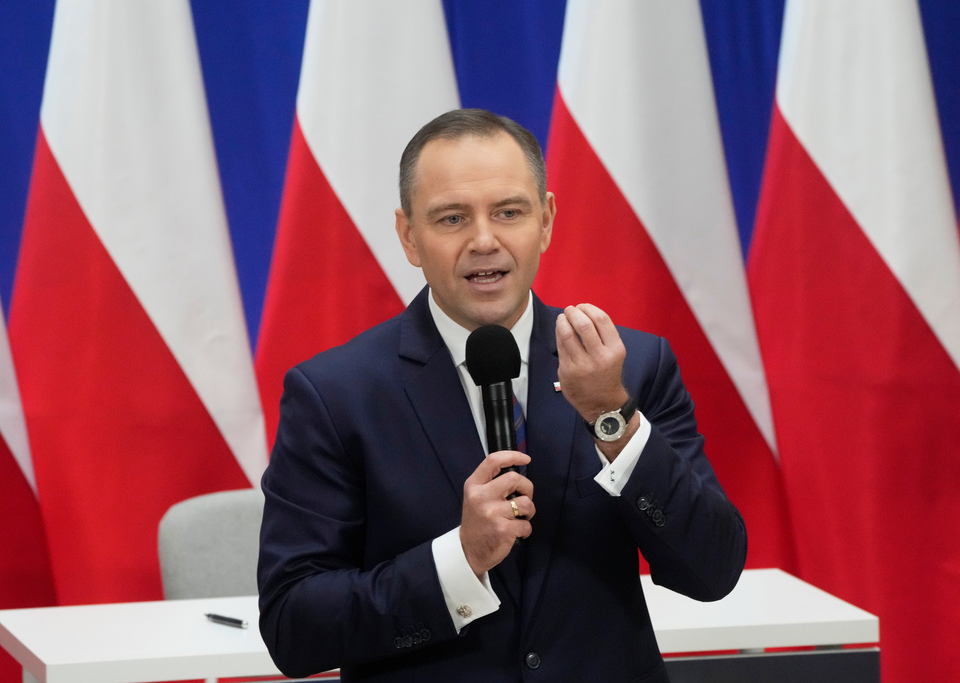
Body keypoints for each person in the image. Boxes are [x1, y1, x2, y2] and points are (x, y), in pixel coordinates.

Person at [258, 108, 747, 682]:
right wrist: (459, 561)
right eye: (451, 219)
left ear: (545, 220)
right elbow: (294, 629)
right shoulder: (335, 394)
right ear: (409, 236)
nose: (484, 240)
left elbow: (711, 572)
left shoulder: (632, 366)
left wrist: (610, 416)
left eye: (509, 212)